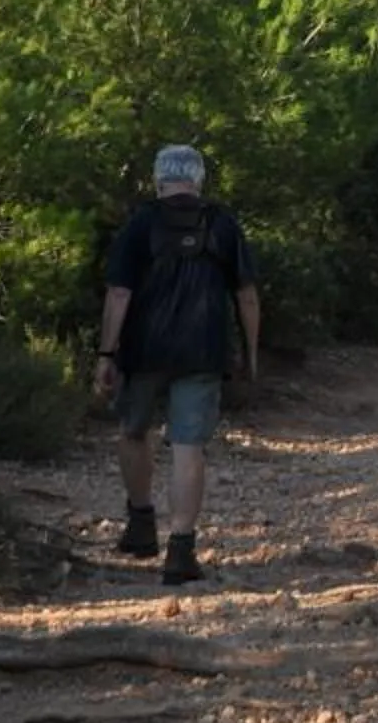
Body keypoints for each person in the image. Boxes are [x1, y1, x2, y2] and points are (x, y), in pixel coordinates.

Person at [94, 143, 260, 585]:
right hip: (202, 351)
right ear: (199, 178)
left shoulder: (140, 223)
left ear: (158, 178)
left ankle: (141, 524)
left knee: (132, 432)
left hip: (143, 350)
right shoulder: (222, 223)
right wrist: (251, 352)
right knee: (188, 447)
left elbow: (119, 293)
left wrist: (106, 353)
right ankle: (180, 550)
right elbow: (246, 295)